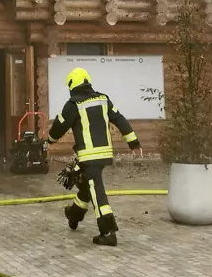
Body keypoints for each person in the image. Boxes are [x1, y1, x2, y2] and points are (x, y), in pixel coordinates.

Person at [47, 68, 142, 246]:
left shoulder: (73, 104)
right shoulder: (103, 99)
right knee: (86, 186)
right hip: (104, 154)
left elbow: (60, 125)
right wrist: (134, 142)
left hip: (88, 157)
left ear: (71, 85)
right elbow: (119, 119)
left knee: (97, 191)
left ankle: (108, 232)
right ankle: (73, 215)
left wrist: (49, 140)